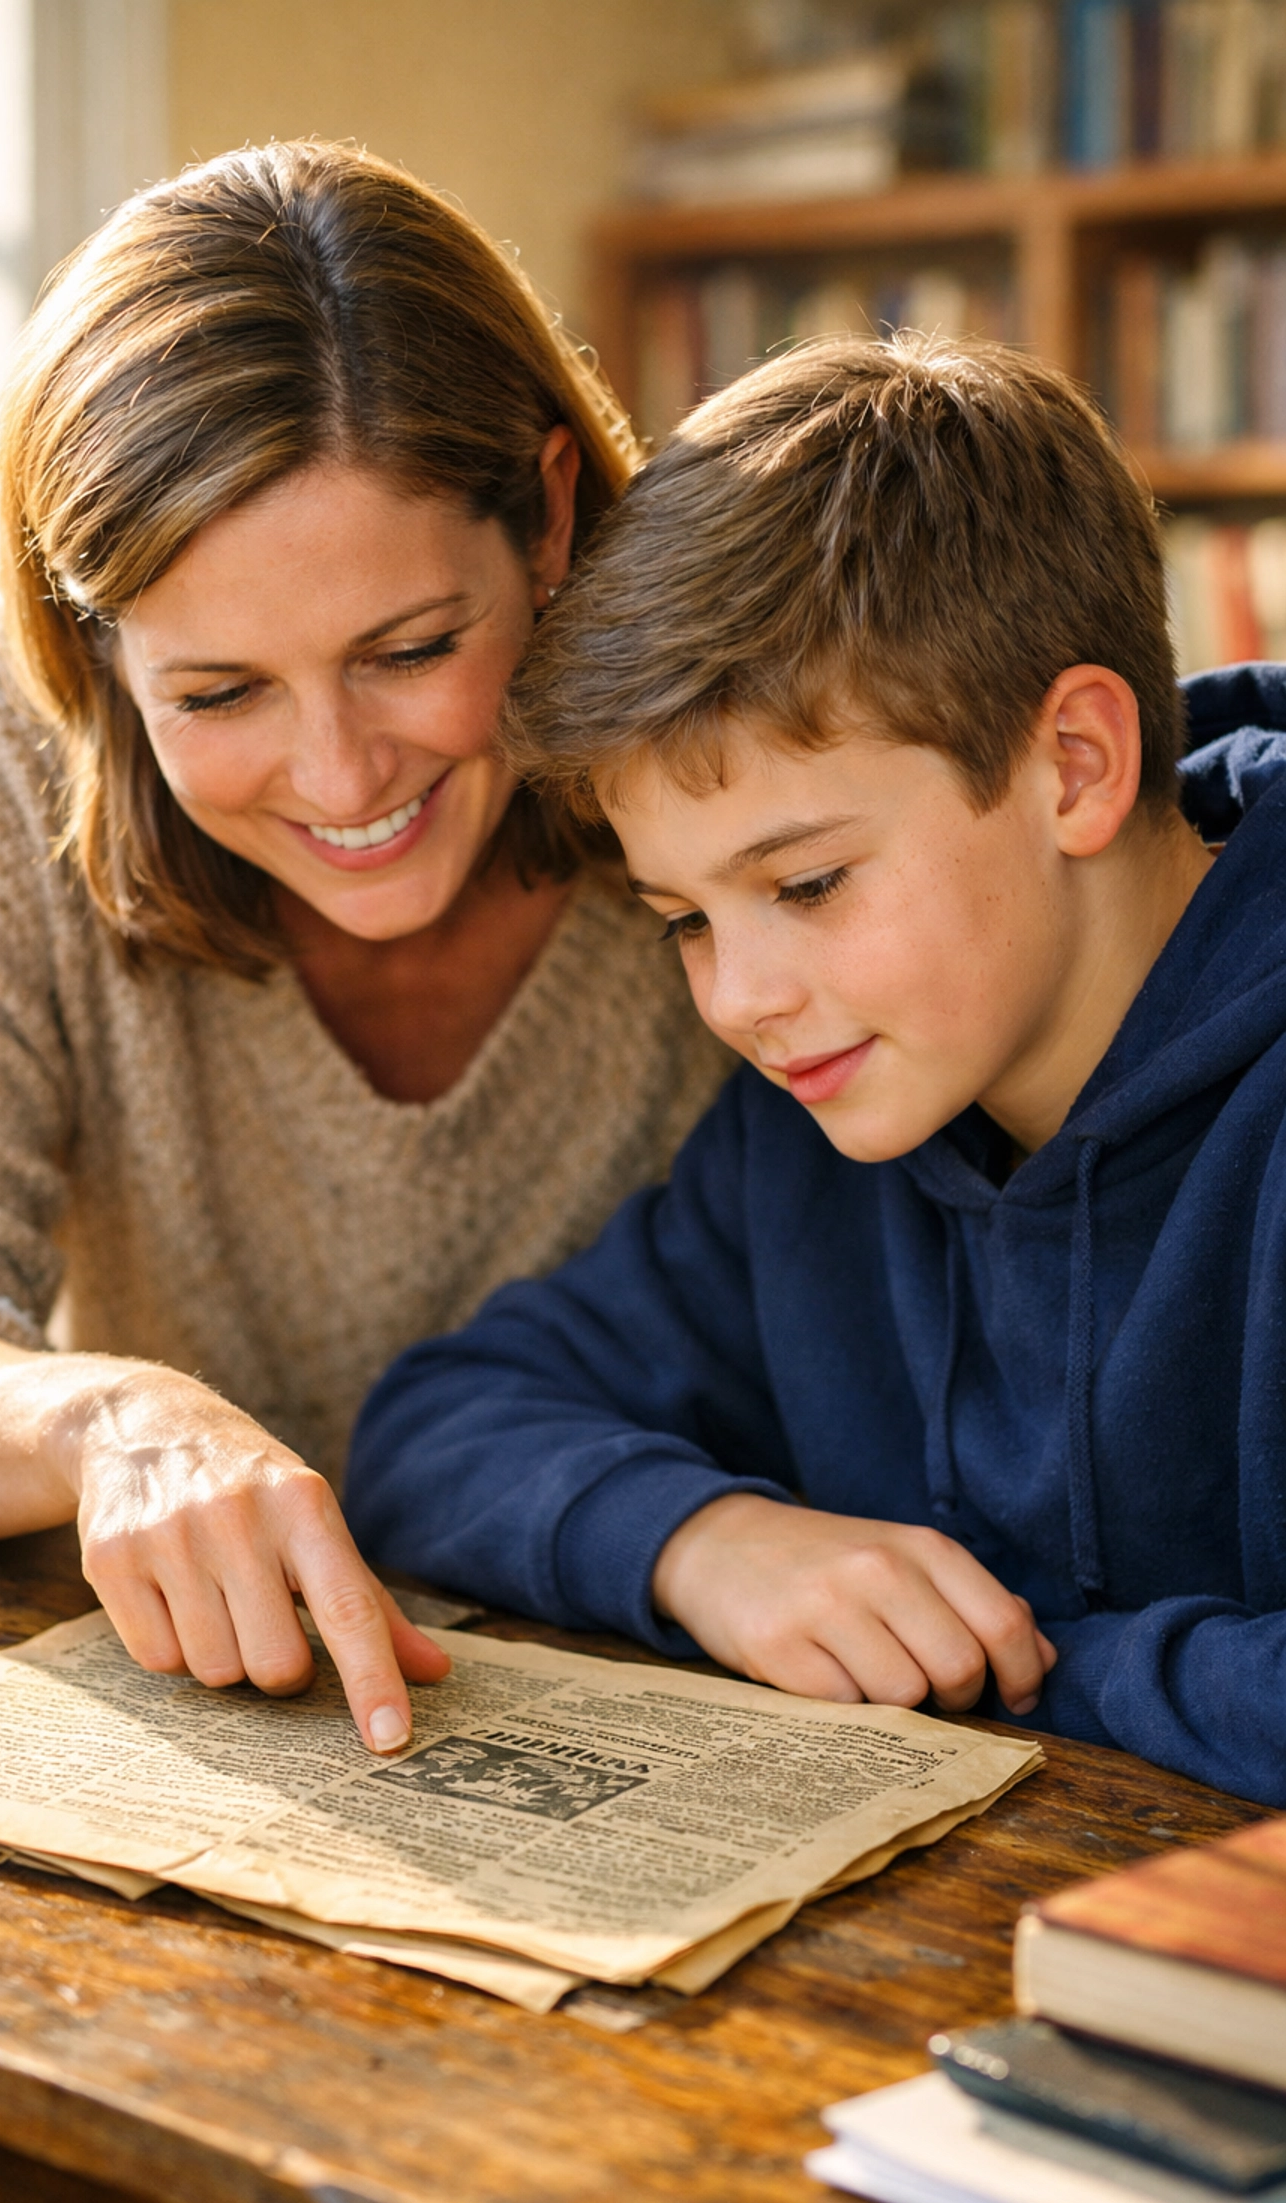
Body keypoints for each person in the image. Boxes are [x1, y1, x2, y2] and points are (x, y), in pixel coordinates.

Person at [0, 142, 732, 1756]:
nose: (343, 780)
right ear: (94, 644)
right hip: (207, 1740)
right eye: (217, 695)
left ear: (549, 517)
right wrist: (99, 1422)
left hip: (685, 1688)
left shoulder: (736, 734)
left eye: (411, 650)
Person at [345, 334, 1286, 1806]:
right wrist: (702, 1543)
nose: (743, 998)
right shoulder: (814, 1128)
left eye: (806, 886)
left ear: (1078, 766)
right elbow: (436, 1426)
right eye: (682, 921)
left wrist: (1015, 1663)